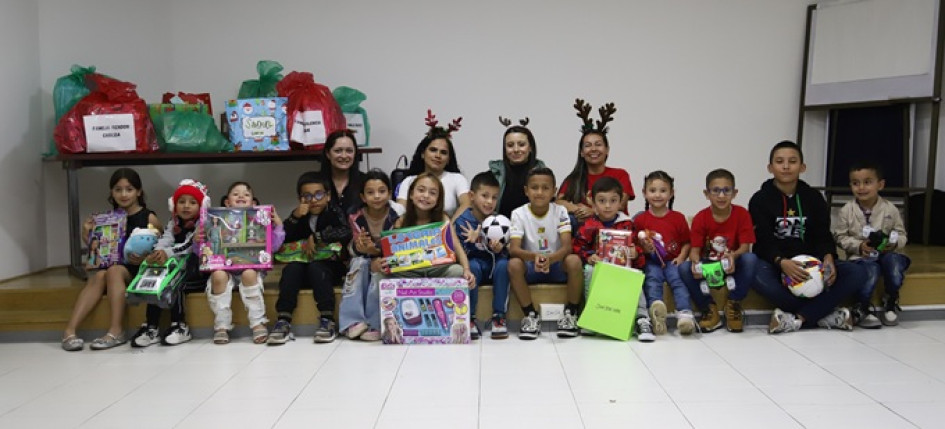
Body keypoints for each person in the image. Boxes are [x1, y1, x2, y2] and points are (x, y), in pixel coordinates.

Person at [749, 140, 867, 334]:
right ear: (770, 168)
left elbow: (823, 234)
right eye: (780, 161)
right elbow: (762, 241)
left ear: (802, 167)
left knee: (858, 272)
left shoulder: (813, 197)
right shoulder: (760, 200)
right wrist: (782, 262)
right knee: (752, 270)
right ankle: (821, 314)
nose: (786, 166)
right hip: (777, 264)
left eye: (792, 161)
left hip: (813, 265)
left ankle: (799, 318)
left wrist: (829, 256)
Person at [62, 168, 162, 351]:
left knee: (114, 271)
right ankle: (69, 331)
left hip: (135, 270)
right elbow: (100, 250)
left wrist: (145, 259)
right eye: (118, 189)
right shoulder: (105, 220)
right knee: (100, 275)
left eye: (129, 189)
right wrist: (87, 235)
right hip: (110, 270)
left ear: (139, 192)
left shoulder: (148, 217)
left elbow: (161, 250)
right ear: (111, 192)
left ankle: (116, 331)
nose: (123, 194)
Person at [269, 172, 352, 345]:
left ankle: (327, 319)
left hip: (330, 267)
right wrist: (295, 217)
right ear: (300, 198)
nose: (313, 200)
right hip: (303, 268)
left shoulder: (335, 212)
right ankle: (283, 320)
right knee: (291, 269)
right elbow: (284, 237)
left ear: (328, 196)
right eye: (307, 196)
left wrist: (318, 236)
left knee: (317, 268)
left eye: (319, 194)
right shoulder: (299, 215)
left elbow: (345, 231)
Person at [571, 177, 654, 342]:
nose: (607, 206)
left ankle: (642, 318)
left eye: (613, 201)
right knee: (589, 271)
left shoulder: (627, 224)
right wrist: (589, 256)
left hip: (623, 269)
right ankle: (592, 315)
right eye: (602, 201)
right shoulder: (589, 225)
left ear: (621, 203)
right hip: (600, 268)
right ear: (593, 203)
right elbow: (577, 246)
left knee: (635, 273)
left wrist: (635, 252)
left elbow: (639, 249)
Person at [202, 182, 285, 345]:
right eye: (236, 194)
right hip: (224, 268)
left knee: (249, 272)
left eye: (246, 195)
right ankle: (221, 325)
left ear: (254, 203)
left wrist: (278, 225)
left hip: (250, 269)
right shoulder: (215, 220)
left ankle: (257, 322)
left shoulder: (259, 221)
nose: (241, 196)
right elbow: (203, 249)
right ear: (227, 202)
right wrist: (200, 239)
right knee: (217, 275)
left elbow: (273, 246)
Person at [131, 179, 211, 347]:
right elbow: (166, 239)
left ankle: (180, 325)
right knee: (155, 280)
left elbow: (190, 246)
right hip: (175, 264)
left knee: (174, 284)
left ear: (201, 205)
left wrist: (167, 253)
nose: (186, 206)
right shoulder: (173, 222)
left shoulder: (203, 223)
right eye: (181, 202)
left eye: (192, 202)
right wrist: (157, 252)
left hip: (196, 269)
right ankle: (151, 326)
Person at [507, 167, 584, 339]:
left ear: (554, 191)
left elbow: (566, 247)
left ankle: (571, 313)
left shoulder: (560, 211)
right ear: (526, 191)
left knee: (574, 261)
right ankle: (531, 315)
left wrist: (551, 259)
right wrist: (535, 257)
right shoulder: (518, 214)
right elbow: (514, 249)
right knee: (513, 264)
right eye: (534, 188)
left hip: (556, 264)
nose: (540, 192)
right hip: (531, 267)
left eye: (545, 188)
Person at [679, 169, 758, 333]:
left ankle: (733, 304)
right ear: (706, 194)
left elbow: (745, 247)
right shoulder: (701, 217)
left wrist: (733, 256)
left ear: (734, 193)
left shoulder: (742, 214)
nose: (721, 196)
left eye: (726, 190)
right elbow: (695, 250)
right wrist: (695, 262)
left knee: (751, 259)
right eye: (716, 191)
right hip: (710, 267)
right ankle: (709, 308)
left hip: (732, 264)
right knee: (684, 269)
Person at [372, 172, 476, 297]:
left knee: (457, 271)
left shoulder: (443, 219)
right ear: (411, 194)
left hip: (437, 268)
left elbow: (457, 246)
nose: (426, 196)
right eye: (421, 190)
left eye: (432, 193)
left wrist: (466, 269)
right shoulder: (401, 220)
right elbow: (392, 253)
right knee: (380, 275)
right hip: (410, 271)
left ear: (438, 199)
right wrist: (381, 263)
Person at [833, 160, 910, 327]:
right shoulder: (847, 210)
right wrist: (859, 246)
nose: (861, 188)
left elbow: (902, 235)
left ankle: (891, 298)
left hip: (888, 254)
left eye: (867, 182)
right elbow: (839, 237)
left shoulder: (891, 209)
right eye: (855, 183)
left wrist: (894, 243)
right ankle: (862, 305)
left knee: (894, 264)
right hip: (861, 257)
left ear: (880, 185)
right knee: (870, 270)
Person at [339, 170, 403, 341]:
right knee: (359, 263)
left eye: (382, 191)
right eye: (370, 192)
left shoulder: (396, 217)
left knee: (380, 267)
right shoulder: (355, 216)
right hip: (361, 258)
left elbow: (396, 247)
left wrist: (375, 252)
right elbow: (352, 247)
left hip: (387, 259)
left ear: (389, 194)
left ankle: (376, 322)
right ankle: (352, 322)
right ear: (362, 196)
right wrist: (361, 248)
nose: (377, 196)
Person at [633, 170, 696, 336]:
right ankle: (656, 313)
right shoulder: (640, 220)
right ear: (644, 193)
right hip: (651, 262)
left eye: (663, 190)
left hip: (672, 261)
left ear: (671, 193)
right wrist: (645, 249)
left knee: (678, 281)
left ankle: (685, 315)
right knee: (652, 280)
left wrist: (681, 258)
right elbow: (636, 246)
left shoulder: (678, 218)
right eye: (652, 190)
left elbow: (687, 242)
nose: (657, 195)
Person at [558, 100, 634, 226]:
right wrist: (579, 210)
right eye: (588, 146)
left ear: (607, 150)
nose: (593, 149)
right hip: (585, 230)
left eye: (598, 144)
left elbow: (620, 204)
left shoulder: (620, 174)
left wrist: (593, 210)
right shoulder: (575, 178)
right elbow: (559, 202)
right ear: (581, 152)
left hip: (614, 228)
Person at [454, 172, 511, 340]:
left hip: (495, 266)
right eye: (484, 196)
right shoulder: (462, 222)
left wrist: (501, 247)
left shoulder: (500, 221)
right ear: (472, 196)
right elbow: (458, 254)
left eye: (494, 198)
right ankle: (469, 318)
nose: (489, 202)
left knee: (504, 264)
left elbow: (510, 246)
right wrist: (469, 242)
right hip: (477, 265)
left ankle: (499, 316)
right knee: (472, 266)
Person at [396, 110, 470, 217]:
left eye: (443, 152)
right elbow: (400, 211)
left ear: (449, 158)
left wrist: (448, 227)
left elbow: (466, 205)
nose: (438, 156)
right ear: (422, 153)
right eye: (433, 150)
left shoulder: (457, 179)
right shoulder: (409, 181)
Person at [490, 117, 547, 218]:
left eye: (521, 144)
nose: (516, 149)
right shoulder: (494, 174)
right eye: (510, 145)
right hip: (501, 230)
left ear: (530, 148)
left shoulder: (543, 174)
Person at [320, 129, 365, 215]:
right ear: (328, 153)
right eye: (338, 151)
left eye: (349, 151)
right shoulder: (316, 182)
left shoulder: (365, 182)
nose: (344, 156)